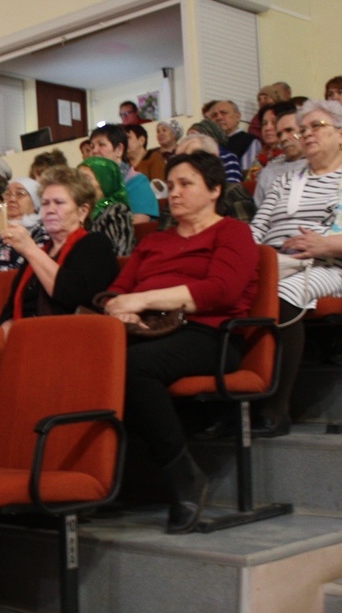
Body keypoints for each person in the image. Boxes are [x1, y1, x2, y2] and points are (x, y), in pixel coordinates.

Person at [106, 151, 259, 533]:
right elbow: (117, 291)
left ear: (214, 190)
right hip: (146, 331)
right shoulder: (155, 242)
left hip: (209, 335)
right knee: (87, 364)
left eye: (186, 184)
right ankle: (94, 481)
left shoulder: (232, 232)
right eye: (171, 185)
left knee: (135, 368)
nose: (173, 193)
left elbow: (221, 291)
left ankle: (184, 477)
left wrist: (142, 300)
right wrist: (120, 310)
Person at [248, 99, 342, 438]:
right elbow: (257, 229)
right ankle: (234, 403)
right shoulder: (286, 179)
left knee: (279, 296)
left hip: (332, 265)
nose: (306, 134)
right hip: (273, 261)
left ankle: (274, 408)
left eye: (316, 126)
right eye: (303, 129)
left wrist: (324, 245)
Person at [0, 165, 119, 333]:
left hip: (69, 336)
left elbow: (75, 297)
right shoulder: (40, 252)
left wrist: (30, 249)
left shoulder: (96, 244)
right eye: (45, 203)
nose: (50, 210)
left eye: (59, 203)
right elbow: (9, 310)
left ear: (82, 212)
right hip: (25, 336)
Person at [88, 123, 159, 221]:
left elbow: (140, 222)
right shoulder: (91, 185)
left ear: (119, 150)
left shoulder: (137, 182)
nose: (94, 151)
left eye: (101, 145)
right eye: (92, 147)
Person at [77, 157, 137, 256]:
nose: (79, 184)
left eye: (86, 178)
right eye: (78, 178)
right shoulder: (79, 211)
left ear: (105, 182)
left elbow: (123, 252)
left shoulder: (117, 211)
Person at [255, 102, 308, 207]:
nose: (283, 138)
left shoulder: (321, 165)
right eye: (279, 134)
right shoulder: (268, 171)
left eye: (289, 130)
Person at [205, 100, 258, 170]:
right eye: (214, 115)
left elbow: (248, 173)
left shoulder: (249, 141)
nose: (219, 117)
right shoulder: (208, 143)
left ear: (238, 116)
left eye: (223, 113)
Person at [188, 118, 244, 183]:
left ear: (210, 137)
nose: (189, 141)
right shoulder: (188, 159)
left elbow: (233, 184)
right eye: (188, 137)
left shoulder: (227, 157)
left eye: (194, 136)